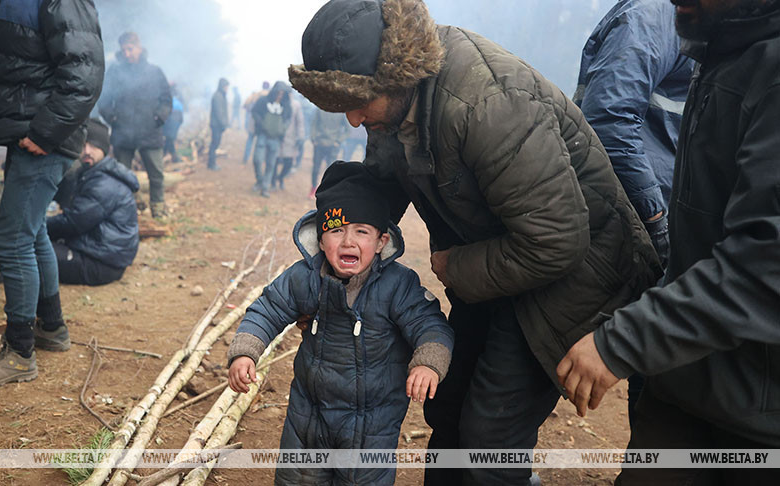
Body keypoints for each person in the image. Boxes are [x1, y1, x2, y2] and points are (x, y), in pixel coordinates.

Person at [288, 1, 660, 484]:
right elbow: (378, 189)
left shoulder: (488, 103)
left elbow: (557, 240)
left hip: (566, 282)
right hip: (496, 266)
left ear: (396, 77)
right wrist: (326, 265)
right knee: (448, 407)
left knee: (490, 441)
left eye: (359, 105)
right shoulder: (392, 104)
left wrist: (453, 266)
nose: (354, 121)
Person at [557, 1, 780, 484]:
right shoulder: (718, 44)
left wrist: (625, 341)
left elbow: (766, 265)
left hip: (759, 414)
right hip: (686, 378)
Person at [227, 161, 453, 485]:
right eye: (336, 230)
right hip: (309, 416)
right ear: (320, 240)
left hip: (372, 427)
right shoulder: (304, 278)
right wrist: (245, 353)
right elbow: (267, 309)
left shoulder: (398, 285)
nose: (348, 241)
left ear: (380, 241)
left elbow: (431, 324)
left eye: (361, 231)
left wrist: (428, 363)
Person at [0, 0, 104, 387]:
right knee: (32, 231)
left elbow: (84, 74)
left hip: (45, 138)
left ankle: (19, 353)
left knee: (11, 237)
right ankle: (50, 327)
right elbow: (5, 70)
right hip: (24, 132)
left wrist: (45, 131)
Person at [573, 0, 694, 428]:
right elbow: (608, 120)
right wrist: (659, 219)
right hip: (641, 218)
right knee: (662, 360)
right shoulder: (653, 15)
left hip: (655, 212)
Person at [47, 119, 139, 286]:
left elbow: (73, 223)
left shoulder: (104, 183)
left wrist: (36, 229)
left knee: (33, 252)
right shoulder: (90, 173)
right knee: (38, 246)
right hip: (101, 255)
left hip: (101, 264)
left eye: (94, 146)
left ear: (104, 149)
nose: (87, 151)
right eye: (83, 145)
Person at [98, 31, 172, 219]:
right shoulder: (115, 72)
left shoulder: (155, 72)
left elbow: (167, 100)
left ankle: (158, 210)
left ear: (139, 48)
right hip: (123, 132)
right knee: (122, 174)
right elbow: (104, 99)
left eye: (130, 49)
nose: (127, 54)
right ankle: (128, 208)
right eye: (124, 50)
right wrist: (112, 118)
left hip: (150, 131)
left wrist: (159, 118)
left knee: (156, 175)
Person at [251, 81, 292, 198]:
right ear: (274, 92)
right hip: (262, 135)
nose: (279, 96)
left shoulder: (286, 106)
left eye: (282, 94)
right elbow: (254, 112)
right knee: (257, 160)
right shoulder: (263, 101)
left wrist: (282, 129)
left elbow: (288, 119)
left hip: (276, 138)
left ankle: (265, 187)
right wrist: (261, 124)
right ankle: (259, 181)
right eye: (278, 93)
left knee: (271, 164)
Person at [272, 87, 305, 190]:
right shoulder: (278, 103)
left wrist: (301, 137)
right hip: (277, 137)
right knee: (275, 160)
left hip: (290, 138)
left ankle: (280, 178)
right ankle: (273, 181)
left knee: (289, 163)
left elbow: (300, 122)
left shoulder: (296, 105)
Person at [309, 109, 348, 197]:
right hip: (320, 143)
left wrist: (338, 141)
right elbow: (314, 124)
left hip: (333, 145)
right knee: (316, 167)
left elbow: (347, 130)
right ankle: (313, 187)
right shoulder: (320, 110)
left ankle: (327, 190)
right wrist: (314, 138)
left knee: (330, 169)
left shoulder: (341, 113)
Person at [242, 81, 270, 164]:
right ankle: (259, 161)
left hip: (253, 121)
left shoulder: (256, 95)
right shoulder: (270, 96)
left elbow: (246, 104)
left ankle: (245, 158)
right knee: (261, 142)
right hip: (263, 123)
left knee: (250, 139)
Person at [208, 77, 230, 171]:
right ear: (222, 86)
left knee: (215, 144)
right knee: (214, 144)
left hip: (217, 124)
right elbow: (219, 112)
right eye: (226, 86)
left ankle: (211, 163)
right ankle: (211, 164)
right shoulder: (218, 96)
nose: (227, 89)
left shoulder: (221, 95)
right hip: (216, 125)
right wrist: (224, 124)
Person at [163, 91, 184, 164]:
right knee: (170, 139)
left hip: (172, 122)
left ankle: (169, 156)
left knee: (169, 139)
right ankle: (172, 157)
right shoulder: (178, 103)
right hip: (176, 122)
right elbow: (181, 119)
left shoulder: (169, 102)